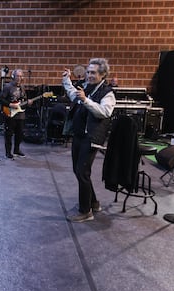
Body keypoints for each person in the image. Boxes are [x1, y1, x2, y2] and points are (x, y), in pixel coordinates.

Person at [62, 58, 116, 222]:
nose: (89, 75)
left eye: (93, 72)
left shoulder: (108, 93)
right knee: (80, 172)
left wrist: (86, 100)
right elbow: (73, 95)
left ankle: (85, 211)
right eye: (88, 72)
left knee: (82, 172)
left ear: (103, 74)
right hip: (79, 135)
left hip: (91, 137)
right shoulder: (86, 87)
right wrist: (66, 80)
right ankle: (93, 202)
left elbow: (104, 112)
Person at [0, 69, 33, 159]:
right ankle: (8, 152)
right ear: (13, 77)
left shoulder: (22, 87)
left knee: (20, 133)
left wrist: (28, 102)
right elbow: (1, 99)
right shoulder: (7, 87)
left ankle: (16, 150)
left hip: (20, 113)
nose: (19, 78)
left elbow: (23, 99)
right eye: (17, 76)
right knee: (9, 133)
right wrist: (10, 104)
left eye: (21, 76)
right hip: (10, 113)